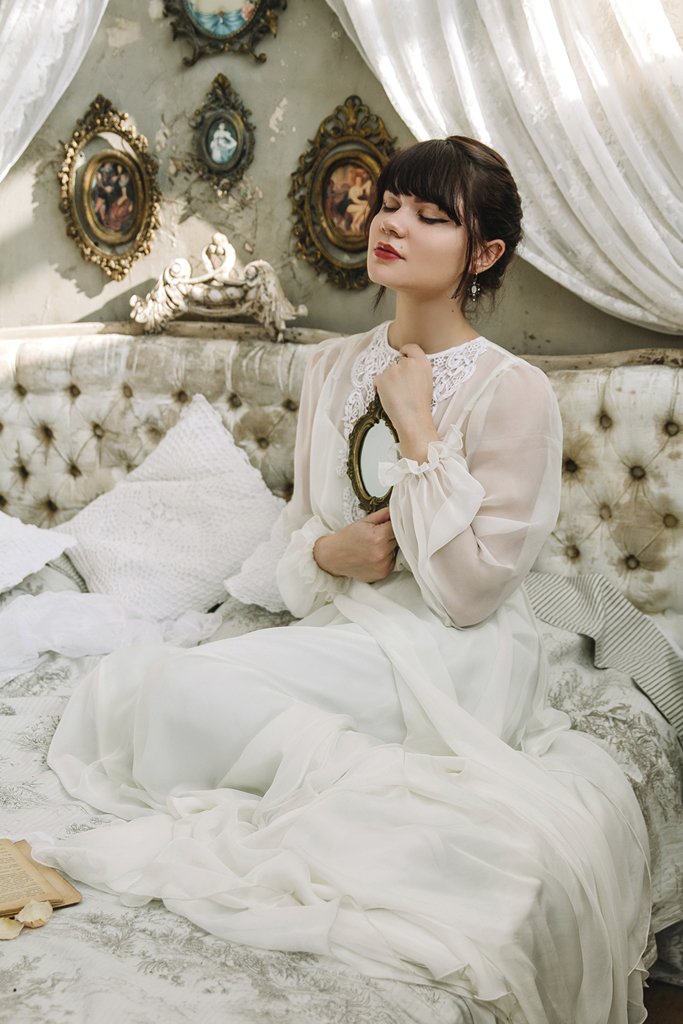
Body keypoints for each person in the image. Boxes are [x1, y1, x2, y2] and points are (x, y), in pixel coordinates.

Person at [40, 137, 649, 1024]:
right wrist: (330, 555)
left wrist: (417, 428)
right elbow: (296, 542)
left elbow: (470, 593)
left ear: (483, 254)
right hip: (342, 626)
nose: (392, 224)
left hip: (455, 655)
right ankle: (361, 785)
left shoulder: (513, 392)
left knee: (174, 694)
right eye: (391, 204)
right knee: (143, 685)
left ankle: (375, 802)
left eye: (430, 217)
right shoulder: (328, 366)